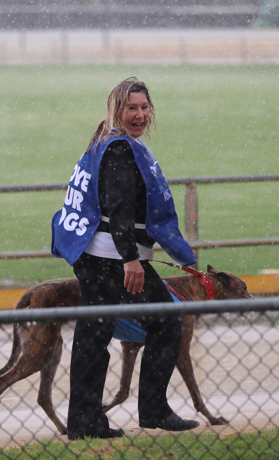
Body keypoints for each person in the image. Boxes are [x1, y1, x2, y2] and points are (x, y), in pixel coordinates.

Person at [51, 77, 200, 440]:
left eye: (144, 107)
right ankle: (152, 409)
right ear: (117, 110)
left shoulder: (105, 140)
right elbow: (118, 209)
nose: (139, 115)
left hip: (96, 253)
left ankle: (85, 422)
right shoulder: (119, 149)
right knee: (166, 322)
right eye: (131, 108)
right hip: (111, 255)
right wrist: (131, 259)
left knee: (94, 334)